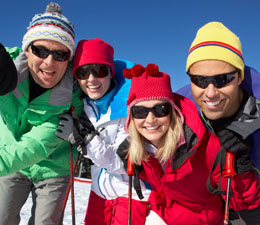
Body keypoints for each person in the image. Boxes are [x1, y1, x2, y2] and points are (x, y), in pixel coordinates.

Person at [115, 63, 260, 224]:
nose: (150, 119)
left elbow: (240, 202)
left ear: (173, 111)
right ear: (132, 117)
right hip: (163, 215)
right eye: (140, 111)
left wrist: (240, 170)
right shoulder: (139, 149)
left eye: (160, 109)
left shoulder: (207, 147)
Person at [0, 2, 82, 225]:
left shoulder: (70, 98)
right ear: (27, 50)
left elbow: (36, 146)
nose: (49, 62)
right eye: (40, 50)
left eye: (60, 54)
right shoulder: (5, 70)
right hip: (9, 156)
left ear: (69, 59)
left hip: (53, 169)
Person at [56, 38, 151, 225]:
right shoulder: (85, 104)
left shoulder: (132, 108)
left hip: (130, 196)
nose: (91, 79)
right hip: (98, 194)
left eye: (99, 71)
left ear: (111, 73)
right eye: (83, 72)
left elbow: (125, 164)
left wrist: (86, 140)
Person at [177, 21, 260, 224]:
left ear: (239, 77)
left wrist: (247, 166)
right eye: (200, 80)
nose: (211, 92)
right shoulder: (180, 109)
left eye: (223, 79)